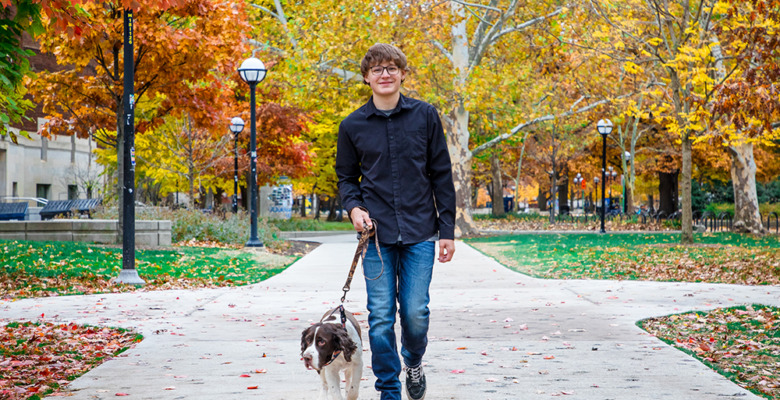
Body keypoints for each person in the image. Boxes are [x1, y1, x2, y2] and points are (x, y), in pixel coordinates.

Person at [335, 43, 456, 400]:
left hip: (421, 231)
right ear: (366, 78)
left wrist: (446, 231)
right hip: (376, 237)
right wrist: (354, 209)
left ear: (403, 73)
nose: (385, 75)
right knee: (382, 316)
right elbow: (346, 178)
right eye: (377, 70)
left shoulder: (425, 116)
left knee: (416, 312)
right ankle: (389, 389)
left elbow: (441, 175)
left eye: (391, 68)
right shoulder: (352, 125)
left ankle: (413, 362)